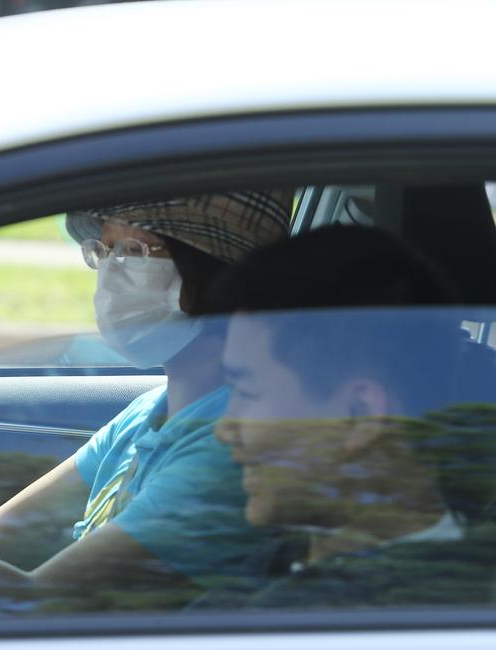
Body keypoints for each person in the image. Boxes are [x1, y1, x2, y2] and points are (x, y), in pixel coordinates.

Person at [0, 191, 292, 612]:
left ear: (217, 273)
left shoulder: (228, 444)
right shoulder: (152, 410)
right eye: (105, 250)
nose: (111, 272)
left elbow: (33, 605)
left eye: (135, 251)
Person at [205, 225, 496, 607]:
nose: (224, 429)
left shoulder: (325, 614)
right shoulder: (286, 560)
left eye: (247, 392)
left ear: (360, 415)